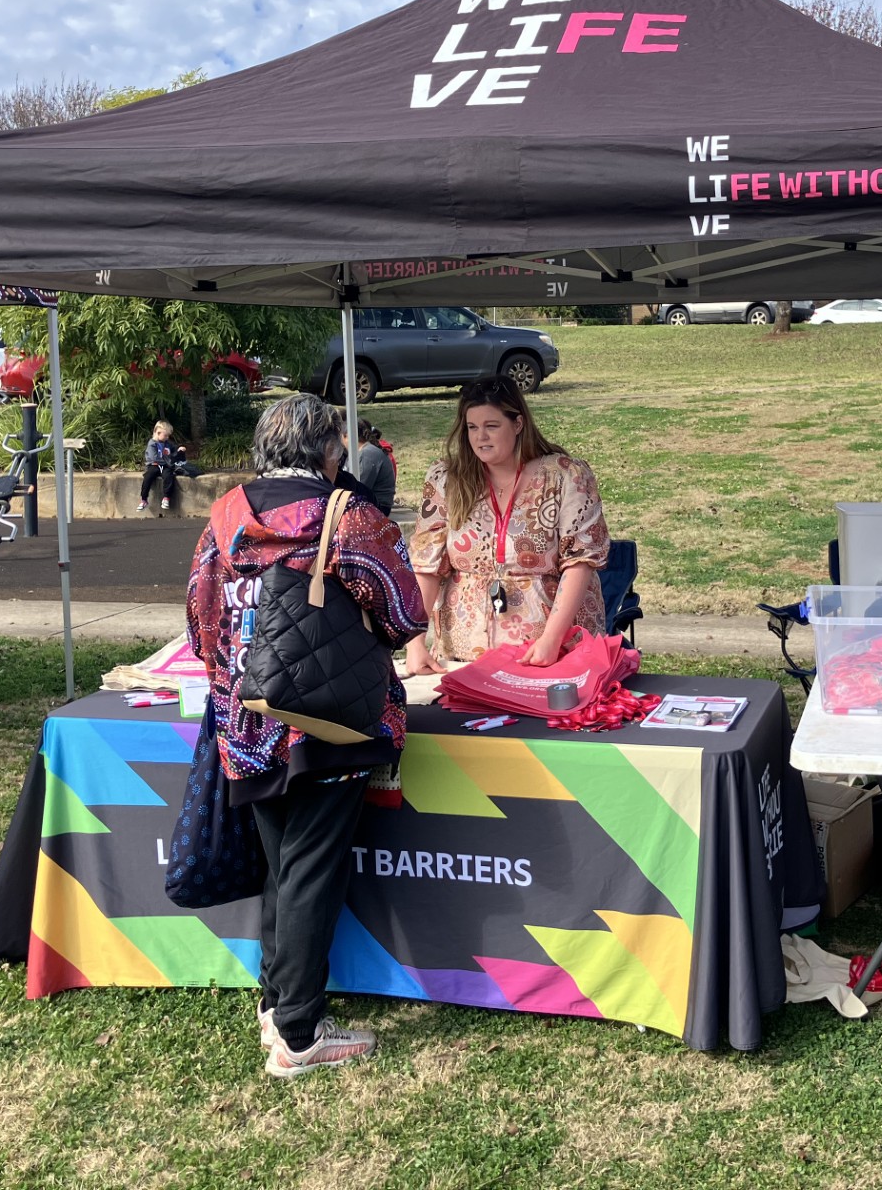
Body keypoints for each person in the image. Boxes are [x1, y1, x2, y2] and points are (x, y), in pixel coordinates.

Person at [185, 394, 426, 1079]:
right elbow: (406, 612)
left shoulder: (226, 515)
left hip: (247, 722)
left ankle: (277, 1006)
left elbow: (200, 612)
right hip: (328, 722)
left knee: (283, 869)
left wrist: (232, 683)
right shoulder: (346, 517)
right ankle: (299, 1032)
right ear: (329, 450)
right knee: (311, 875)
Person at [404, 377, 609, 674]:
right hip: (463, 652)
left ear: (518, 424)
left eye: (491, 426)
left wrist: (552, 639)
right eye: (472, 427)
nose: (480, 437)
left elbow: (581, 561)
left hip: (550, 651)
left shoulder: (565, 476)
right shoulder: (446, 479)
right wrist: (415, 641)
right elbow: (426, 566)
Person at [344, 417, 396, 516]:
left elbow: (358, 487)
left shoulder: (366, 454)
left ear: (348, 436)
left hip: (377, 508)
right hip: (369, 505)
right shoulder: (363, 452)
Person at [138, 420, 182, 511]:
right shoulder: (152, 444)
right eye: (165, 435)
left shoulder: (167, 443)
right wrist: (168, 461)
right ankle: (144, 499)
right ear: (158, 433)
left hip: (165, 466)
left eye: (168, 436)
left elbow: (174, 449)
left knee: (168, 476)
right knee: (148, 477)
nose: (167, 437)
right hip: (154, 465)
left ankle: (166, 498)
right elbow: (154, 458)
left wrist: (179, 449)